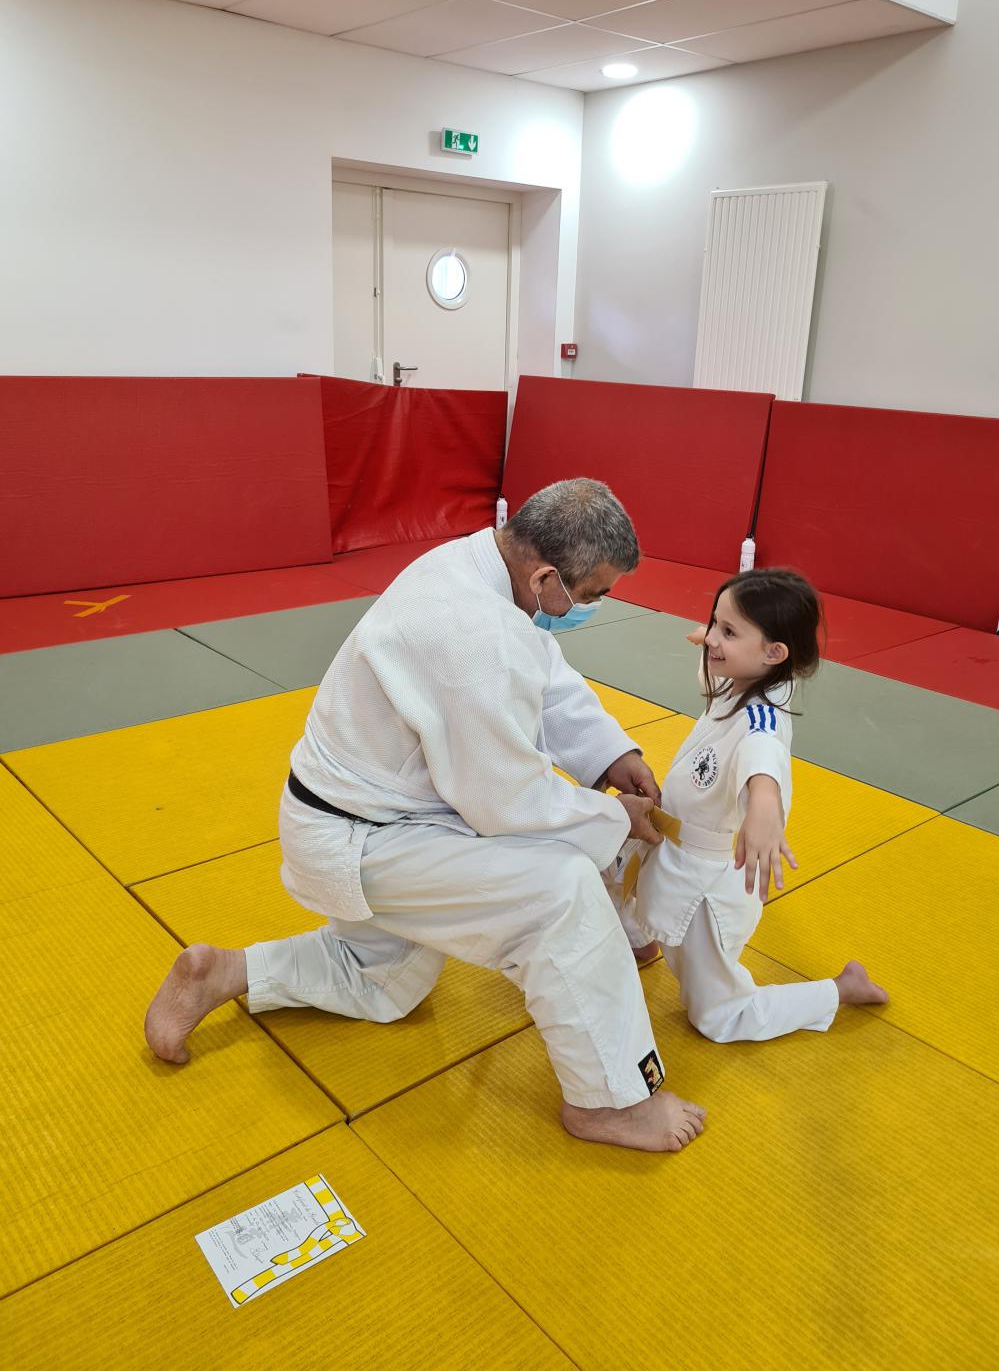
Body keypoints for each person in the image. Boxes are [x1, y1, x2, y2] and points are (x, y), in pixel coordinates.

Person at [146, 479, 706, 1153]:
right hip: (365, 835)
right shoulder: (473, 633)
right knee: (561, 892)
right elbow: (506, 801)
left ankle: (226, 972)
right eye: (590, 595)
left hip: (364, 815)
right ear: (545, 577)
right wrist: (616, 820)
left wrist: (611, 754)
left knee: (384, 983)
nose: (592, 607)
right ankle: (613, 1103)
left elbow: (544, 674)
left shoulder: (475, 564)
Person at [605, 567, 888, 1044]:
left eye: (729, 632)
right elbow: (716, 664)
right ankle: (640, 939)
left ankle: (840, 989)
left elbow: (764, 756)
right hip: (663, 844)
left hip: (704, 888)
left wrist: (765, 803)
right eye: (714, 622)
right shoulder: (743, 676)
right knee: (597, 865)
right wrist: (717, 638)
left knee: (718, 1016)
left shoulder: (763, 717)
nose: (713, 639)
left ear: (774, 653)